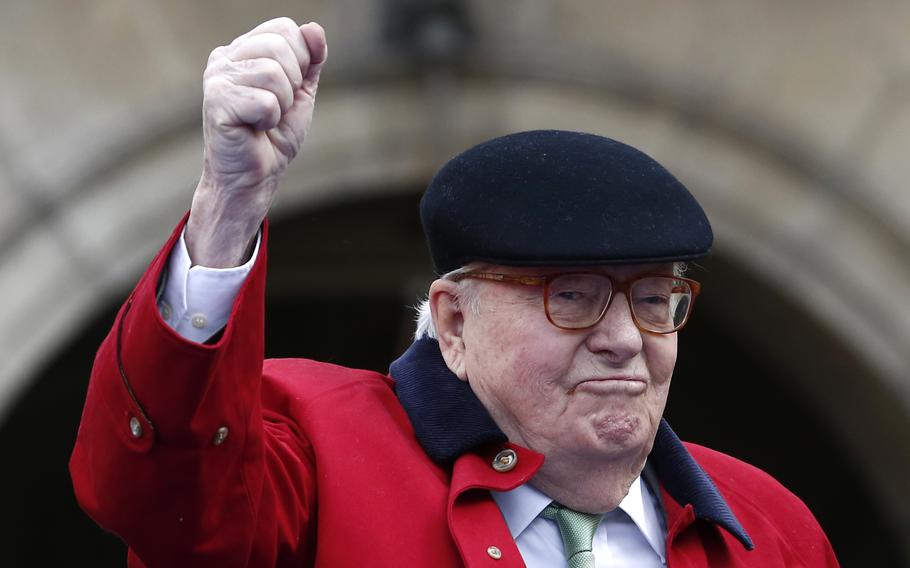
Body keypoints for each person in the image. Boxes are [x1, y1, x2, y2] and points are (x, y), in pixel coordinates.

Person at [70, 17, 839, 568]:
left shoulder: (770, 528)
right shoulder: (317, 455)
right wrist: (228, 202)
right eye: (571, 296)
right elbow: (164, 495)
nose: (626, 338)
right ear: (454, 321)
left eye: (652, 298)